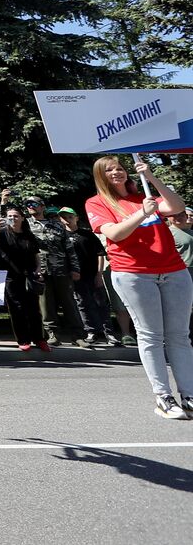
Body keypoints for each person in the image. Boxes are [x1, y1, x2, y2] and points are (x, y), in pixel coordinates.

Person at [85, 157, 192, 420]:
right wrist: (142, 213)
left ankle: (188, 395)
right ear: (101, 176)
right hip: (133, 274)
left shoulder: (143, 194)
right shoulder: (96, 203)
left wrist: (152, 177)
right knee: (151, 336)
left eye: (119, 168)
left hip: (174, 270)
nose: (116, 172)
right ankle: (163, 397)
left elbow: (177, 206)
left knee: (180, 336)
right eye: (109, 170)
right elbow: (115, 234)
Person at [13, 193, 82, 346]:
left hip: (60, 268)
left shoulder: (57, 225)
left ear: (42, 206)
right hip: (40, 270)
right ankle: (52, 334)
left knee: (69, 302)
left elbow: (69, 248)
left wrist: (75, 268)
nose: (30, 207)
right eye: (28, 205)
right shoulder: (26, 225)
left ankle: (77, 335)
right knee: (46, 305)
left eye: (34, 204)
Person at [0, 207, 46, 351]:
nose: (13, 218)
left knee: (34, 309)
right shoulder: (3, 233)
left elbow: (35, 254)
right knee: (17, 309)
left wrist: (38, 269)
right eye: (10, 216)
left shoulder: (28, 235)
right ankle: (23, 340)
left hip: (29, 276)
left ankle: (39, 339)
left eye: (16, 216)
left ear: (22, 218)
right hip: (10, 277)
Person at [60, 206, 112, 346]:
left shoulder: (87, 234)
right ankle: (91, 331)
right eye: (64, 217)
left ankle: (109, 333)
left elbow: (100, 254)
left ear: (76, 218)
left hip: (92, 274)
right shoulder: (60, 236)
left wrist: (99, 274)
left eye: (70, 217)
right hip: (74, 276)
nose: (67, 220)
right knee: (82, 304)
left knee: (101, 303)